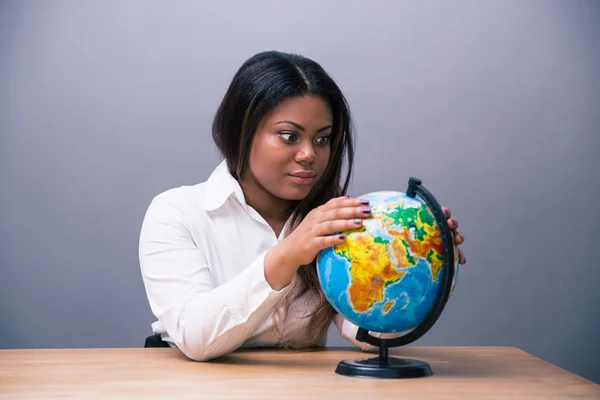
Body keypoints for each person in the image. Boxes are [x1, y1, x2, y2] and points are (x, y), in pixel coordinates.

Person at [138, 50, 466, 361]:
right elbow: (195, 338)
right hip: (184, 382)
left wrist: (429, 266)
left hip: (296, 384)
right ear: (242, 131)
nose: (309, 154)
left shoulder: (335, 217)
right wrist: (289, 253)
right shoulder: (176, 212)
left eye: (322, 138)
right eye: (289, 136)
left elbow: (369, 335)